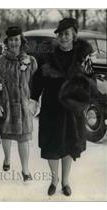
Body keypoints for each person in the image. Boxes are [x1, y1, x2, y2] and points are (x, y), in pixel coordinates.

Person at [31, 18, 99, 196]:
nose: (62, 37)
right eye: (60, 34)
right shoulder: (47, 56)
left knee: (69, 144)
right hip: (51, 109)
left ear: (74, 35)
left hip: (71, 110)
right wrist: (33, 99)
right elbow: (37, 80)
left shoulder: (82, 57)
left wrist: (85, 89)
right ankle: (54, 179)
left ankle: (66, 181)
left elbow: (91, 83)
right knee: (52, 146)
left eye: (66, 34)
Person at [0, 26, 38, 181]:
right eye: (11, 40)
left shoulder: (31, 61)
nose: (14, 43)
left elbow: (36, 86)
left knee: (24, 139)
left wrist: (34, 103)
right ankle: (7, 158)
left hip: (23, 107)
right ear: (7, 42)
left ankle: (25, 170)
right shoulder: (0, 61)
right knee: (6, 135)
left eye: (17, 39)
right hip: (6, 105)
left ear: (21, 41)